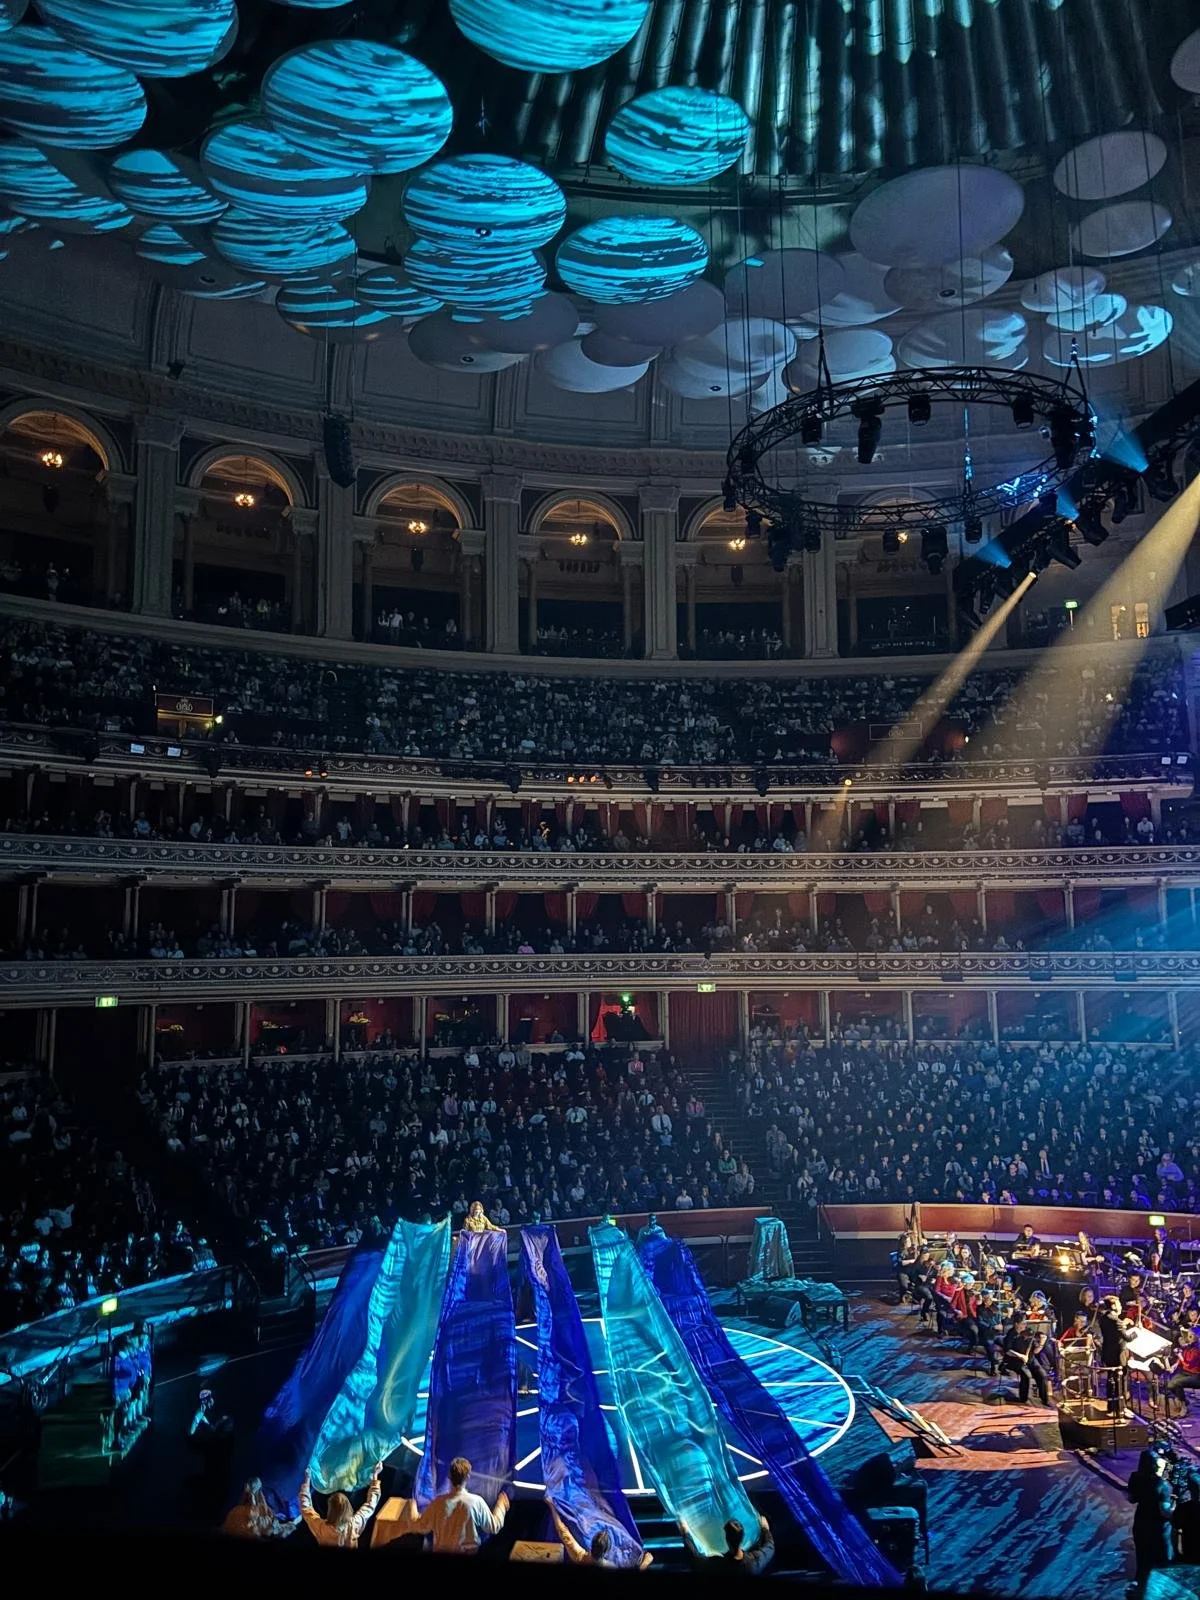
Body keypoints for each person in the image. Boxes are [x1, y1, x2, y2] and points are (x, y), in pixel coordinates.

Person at [402, 1456, 509, 1553]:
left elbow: (420, 1527)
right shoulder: (476, 1502)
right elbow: (494, 1527)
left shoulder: (438, 1503)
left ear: (449, 1476)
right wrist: (501, 1505)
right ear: (468, 1476)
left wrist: (412, 1505)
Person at [299, 1462, 382, 1548]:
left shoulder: (321, 1528)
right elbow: (371, 1504)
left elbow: (305, 1507)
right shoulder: (354, 1524)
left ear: (330, 1510)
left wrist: (307, 1479)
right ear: (348, 1508)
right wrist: (375, 1475)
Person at [1127, 1448, 1175, 1588]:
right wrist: (1175, 1505)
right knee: (1162, 1558)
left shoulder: (1135, 1477)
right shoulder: (1163, 1485)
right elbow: (1165, 1512)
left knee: (1143, 1558)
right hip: (1158, 1528)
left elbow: (1131, 1499)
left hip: (1141, 1523)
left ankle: (1140, 1584)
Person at [689, 1513, 774, 1574]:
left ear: (726, 1538)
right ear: (743, 1536)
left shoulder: (717, 1565)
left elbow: (696, 1558)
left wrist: (686, 1533)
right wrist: (765, 1529)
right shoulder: (754, 1564)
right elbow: (770, 1547)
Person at [1099, 1294, 1137, 1418]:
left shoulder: (1104, 1317)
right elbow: (1127, 1338)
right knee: (1121, 1382)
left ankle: (1111, 1408)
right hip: (1118, 1355)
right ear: (1114, 1306)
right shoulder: (1117, 1320)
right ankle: (1121, 1408)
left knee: (1111, 1381)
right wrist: (1136, 1332)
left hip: (1108, 1353)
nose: (1121, 1306)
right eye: (1119, 1304)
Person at [220, 1477, 295, 1539]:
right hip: (252, 1513)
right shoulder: (253, 1497)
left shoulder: (248, 1496)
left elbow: (244, 1502)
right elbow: (253, 1508)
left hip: (249, 1510)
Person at [1001, 1313, 1050, 1405]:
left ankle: (1045, 1400)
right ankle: (1023, 1398)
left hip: (1030, 1359)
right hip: (1015, 1361)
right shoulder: (1011, 1335)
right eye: (1023, 1323)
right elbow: (1008, 1351)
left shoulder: (1029, 1332)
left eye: (1025, 1323)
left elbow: (1035, 1351)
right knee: (1026, 1375)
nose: (1025, 1325)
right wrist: (1020, 1356)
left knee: (1042, 1374)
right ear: (1017, 1324)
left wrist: (1041, 1344)